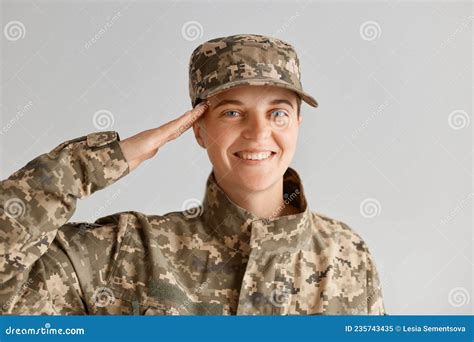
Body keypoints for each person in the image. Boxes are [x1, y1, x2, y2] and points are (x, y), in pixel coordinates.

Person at [0, 33, 386, 315]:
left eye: (278, 113)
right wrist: (101, 161)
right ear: (198, 129)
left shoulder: (346, 255)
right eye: (232, 112)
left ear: (298, 124)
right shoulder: (125, 252)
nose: (257, 132)